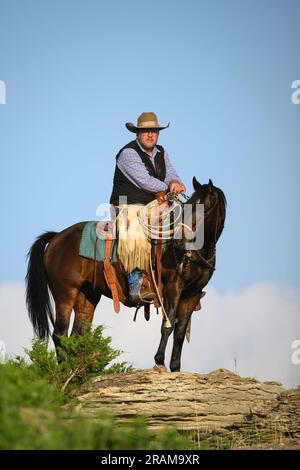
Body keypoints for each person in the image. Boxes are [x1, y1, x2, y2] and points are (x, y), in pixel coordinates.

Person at [110, 112, 185, 305]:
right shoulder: (127, 153)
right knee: (134, 229)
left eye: (154, 131)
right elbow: (145, 182)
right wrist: (169, 188)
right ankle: (135, 282)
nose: (150, 135)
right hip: (128, 204)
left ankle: (183, 277)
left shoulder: (162, 152)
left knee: (185, 225)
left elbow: (170, 173)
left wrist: (175, 181)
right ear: (137, 133)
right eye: (145, 131)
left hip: (153, 204)